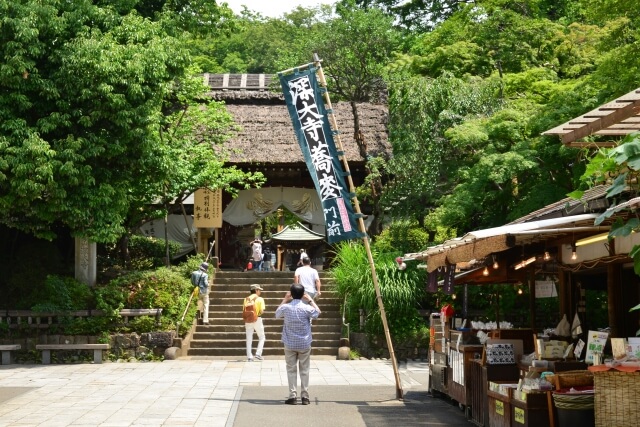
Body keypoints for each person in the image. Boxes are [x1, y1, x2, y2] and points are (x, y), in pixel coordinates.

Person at [275, 283, 321, 405]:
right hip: (304, 343)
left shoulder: (286, 307)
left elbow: (277, 314)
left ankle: (292, 396)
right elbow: (318, 313)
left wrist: (284, 299)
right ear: (302, 295)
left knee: (291, 370)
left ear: (291, 294)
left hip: (289, 343)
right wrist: (310, 300)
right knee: (304, 370)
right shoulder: (306, 308)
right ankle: (305, 396)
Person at [244, 284, 266, 361]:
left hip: (248, 320)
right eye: (259, 290)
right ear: (256, 290)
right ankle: (258, 353)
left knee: (249, 338)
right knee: (262, 337)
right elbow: (262, 311)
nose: (260, 291)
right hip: (257, 319)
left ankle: (249, 357)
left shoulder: (246, 299)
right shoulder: (260, 299)